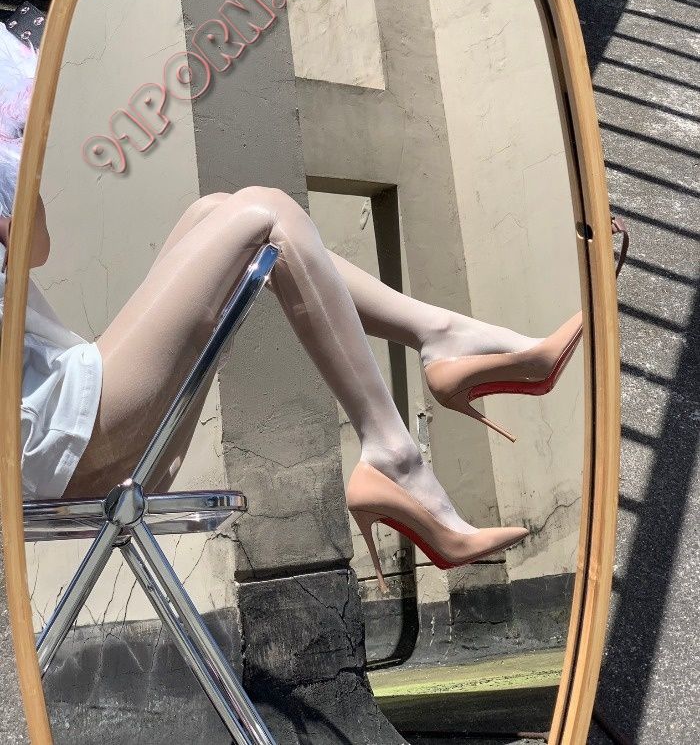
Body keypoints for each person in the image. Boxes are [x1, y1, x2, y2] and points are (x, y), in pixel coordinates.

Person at [2, 170, 588, 588]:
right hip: (68, 441)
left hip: (66, 451)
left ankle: (443, 342)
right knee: (266, 212)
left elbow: (28, 248)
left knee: (216, 212)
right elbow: (32, 240)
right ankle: (398, 447)